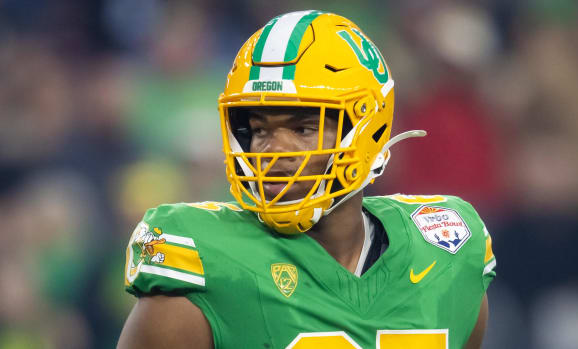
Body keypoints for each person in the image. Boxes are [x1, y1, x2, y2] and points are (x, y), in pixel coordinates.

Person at [117, 10, 496, 349]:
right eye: (259, 129)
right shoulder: (203, 267)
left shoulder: (445, 251)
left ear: (368, 131)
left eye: (303, 128)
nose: (271, 150)